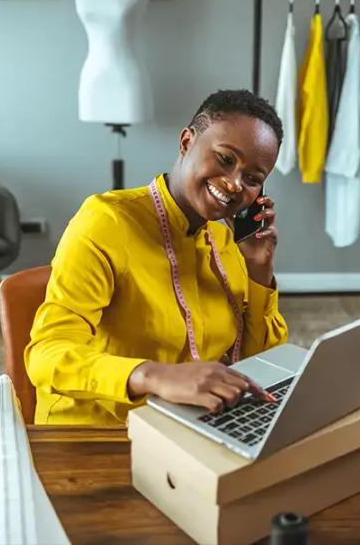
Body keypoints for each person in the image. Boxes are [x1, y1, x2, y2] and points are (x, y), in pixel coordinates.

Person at [25, 89, 290, 425]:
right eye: (225, 159)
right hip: (100, 431)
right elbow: (46, 355)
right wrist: (154, 376)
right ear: (186, 142)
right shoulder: (107, 222)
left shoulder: (228, 241)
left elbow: (264, 366)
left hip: (193, 424)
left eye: (253, 179)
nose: (236, 184)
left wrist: (258, 274)